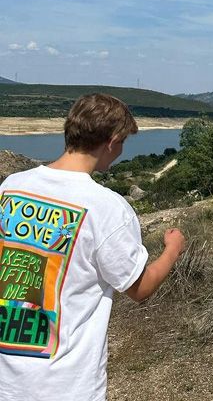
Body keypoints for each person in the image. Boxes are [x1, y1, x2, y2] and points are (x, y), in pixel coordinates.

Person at [0, 94, 186, 401]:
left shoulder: (12, 186)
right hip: (64, 385)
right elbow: (139, 288)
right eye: (123, 142)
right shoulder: (107, 208)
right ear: (112, 141)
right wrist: (172, 249)